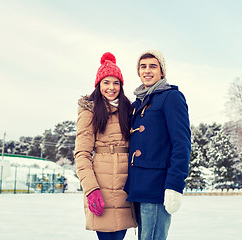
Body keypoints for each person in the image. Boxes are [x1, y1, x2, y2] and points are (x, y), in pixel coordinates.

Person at [124, 50, 191, 240]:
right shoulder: (139, 103)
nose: (147, 70)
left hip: (157, 186)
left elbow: (182, 144)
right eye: (143, 66)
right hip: (139, 186)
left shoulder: (171, 97)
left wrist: (174, 185)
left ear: (162, 72)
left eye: (153, 66)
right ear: (138, 72)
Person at [74, 52, 137, 240]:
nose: (111, 88)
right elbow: (82, 154)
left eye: (116, 83)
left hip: (125, 186)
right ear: (98, 85)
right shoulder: (90, 111)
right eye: (106, 82)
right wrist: (91, 189)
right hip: (101, 186)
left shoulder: (129, 110)